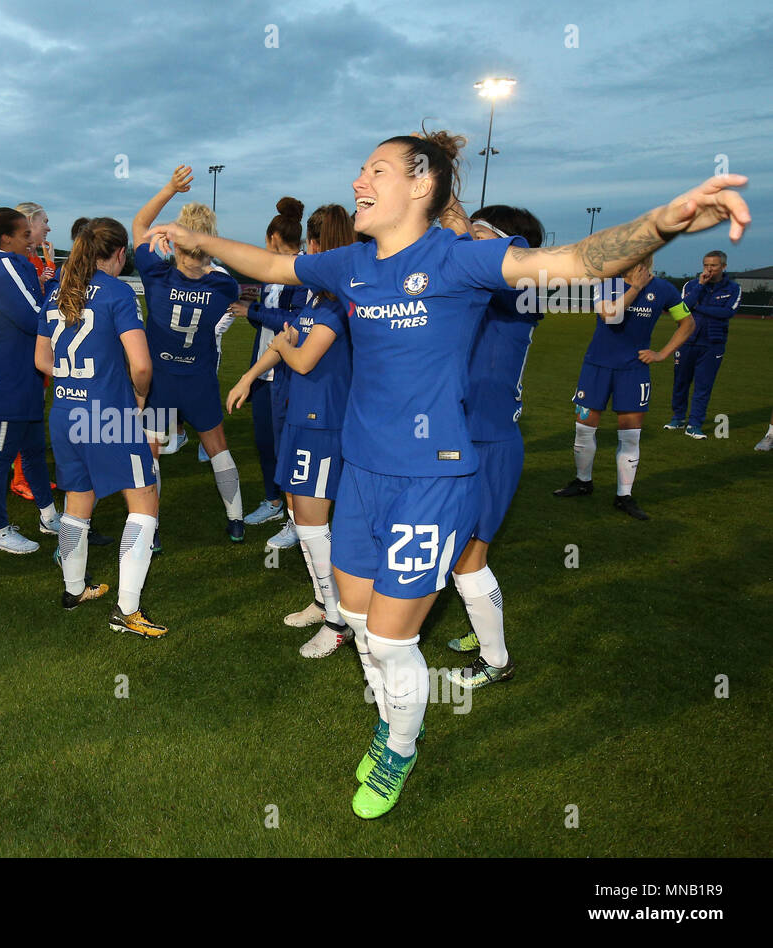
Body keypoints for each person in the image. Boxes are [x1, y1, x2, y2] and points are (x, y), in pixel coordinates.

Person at [143, 128, 749, 819]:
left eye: (375, 170)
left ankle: (399, 745)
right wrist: (202, 244)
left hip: (434, 483)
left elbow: (575, 261)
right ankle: (399, 715)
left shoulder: (461, 260)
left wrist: (662, 223)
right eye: (360, 170)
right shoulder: (351, 265)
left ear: (420, 184)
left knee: (396, 638)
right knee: (367, 630)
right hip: (361, 477)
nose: (357, 183)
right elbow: (272, 268)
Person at [226, 205, 355, 656]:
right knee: (301, 517)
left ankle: (339, 620)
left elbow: (300, 356)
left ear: (318, 247)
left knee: (315, 523)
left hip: (324, 425)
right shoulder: (317, 297)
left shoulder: (338, 301)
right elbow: (287, 345)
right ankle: (324, 602)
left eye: (311, 244)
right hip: (302, 419)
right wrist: (247, 376)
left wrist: (281, 343)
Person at [34, 218, 167, 637]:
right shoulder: (117, 292)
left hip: (64, 413)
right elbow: (142, 364)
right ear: (119, 253)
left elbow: (42, 360)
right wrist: (139, 398)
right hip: (107, 414)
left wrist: (76, 381)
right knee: (144, 503)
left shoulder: (57, 291)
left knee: (78, 500)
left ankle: (74, 590)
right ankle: (127, 611)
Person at [438, 204, 545, 689]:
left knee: (468, 558)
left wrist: (463, 229)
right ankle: (484, 635)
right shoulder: (482, 291)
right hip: (462, 434)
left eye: (480, 235)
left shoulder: (524, 287)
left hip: (490, 440)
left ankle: (496, 660)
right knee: (458, 549)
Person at [132, 165, 245, 546]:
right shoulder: (223, 285)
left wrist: (169, 189)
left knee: (151, 452)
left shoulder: (155, 273)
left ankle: (153, 528)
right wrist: (208, 256)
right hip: (198, 377)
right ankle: (235, 521)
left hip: (161, 378)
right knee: (217, 448)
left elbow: (139, 224)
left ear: (176, 237)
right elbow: (224, 274)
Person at [552, 255, 694, 519]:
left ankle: (623, 496)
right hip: (596, 367)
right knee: (583, 429)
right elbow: (610, 317)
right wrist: (636, 288)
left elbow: (688, 323)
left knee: (630, 436)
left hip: (633, 371)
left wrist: (662, 354)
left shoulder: (664, 290)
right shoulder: (607, 283)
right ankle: (583, 482)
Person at [0, 208, 61, 553]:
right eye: (24, 235)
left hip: (16, 373)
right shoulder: (4, 264)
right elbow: (32, 315)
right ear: (6, 239)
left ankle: (48, 515)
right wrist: (53, 287)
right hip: (11, 376)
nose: (30, 240)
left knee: (34, 450)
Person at [228, 198, 308, 549]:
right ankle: (274, 502)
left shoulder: (302, 273)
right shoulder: (271, 274)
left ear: (274, 236)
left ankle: (297, 519)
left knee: (287, 447)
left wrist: (254, 311)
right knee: (265, 443)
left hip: (288, 374)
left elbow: (297, 325)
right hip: (263, 372)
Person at [666, 250, 742, 438]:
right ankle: (678, 418)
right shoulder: (692, 285)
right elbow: (682, 308)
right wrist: (700, 286)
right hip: (686, 340)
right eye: (706, 265)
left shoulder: (733, 288)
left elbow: (727, 313)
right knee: (680, 382)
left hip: (713, 344)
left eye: (713, 265)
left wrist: (698, 307)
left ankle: (695, 425)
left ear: (723, 267)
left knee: (703, 385)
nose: (709, 269)